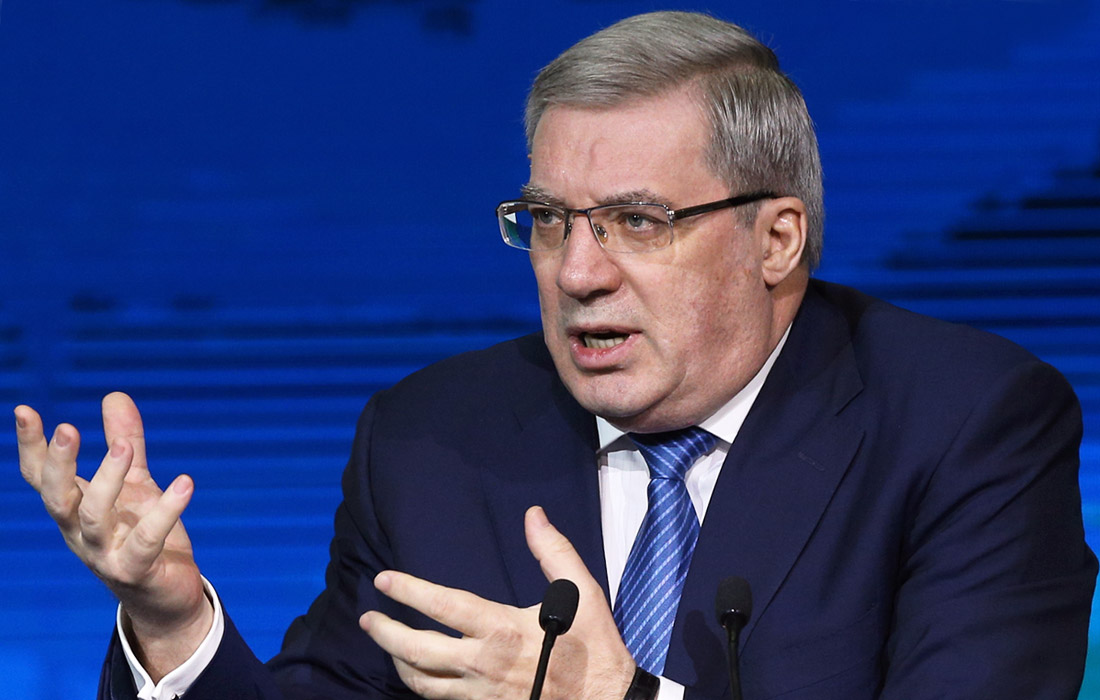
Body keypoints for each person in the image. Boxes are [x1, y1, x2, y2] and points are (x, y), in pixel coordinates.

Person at [15, 10, 1096, 700]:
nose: (576, 271)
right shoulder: (432, 439)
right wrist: (171, 619)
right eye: (546, 220)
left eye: (636, 221)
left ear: (776, 240)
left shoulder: (965, 424)